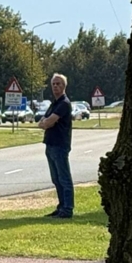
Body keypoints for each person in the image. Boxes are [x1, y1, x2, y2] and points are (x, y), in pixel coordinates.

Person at [37, 73, 73, 218]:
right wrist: (45, 122)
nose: (56, 86)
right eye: (54, 84)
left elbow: (49, 121)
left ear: (64, 86)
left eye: (59, 84)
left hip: (60, 145)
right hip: (50, 144)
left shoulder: (64, 103)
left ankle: (68, 209)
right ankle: (61, 206)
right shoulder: (54, 103)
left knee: (64, 178)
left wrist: (46, 122)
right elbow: (42, 121)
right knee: (56, 179)